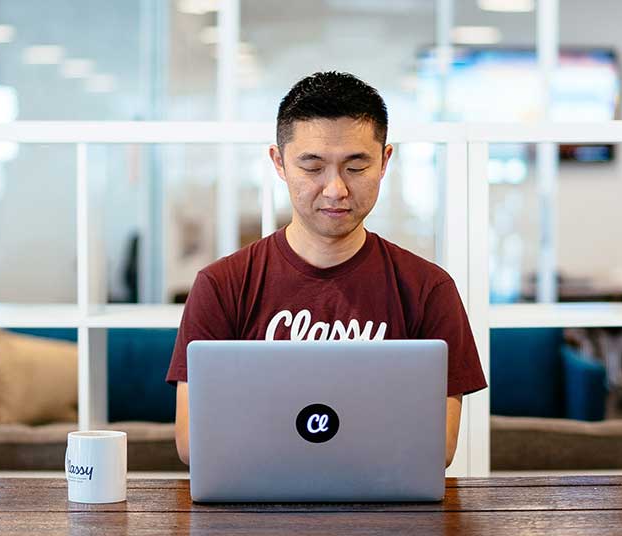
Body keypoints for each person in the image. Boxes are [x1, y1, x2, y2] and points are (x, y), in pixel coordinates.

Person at [166, 71, 487, 467]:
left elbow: (438, 448)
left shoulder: (427, 288)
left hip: (390, 518)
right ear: (279, 163)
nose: (335, 189)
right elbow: (192, 442)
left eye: (355, 167)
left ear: (385, 162)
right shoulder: (222, 285)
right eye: (313, 167)